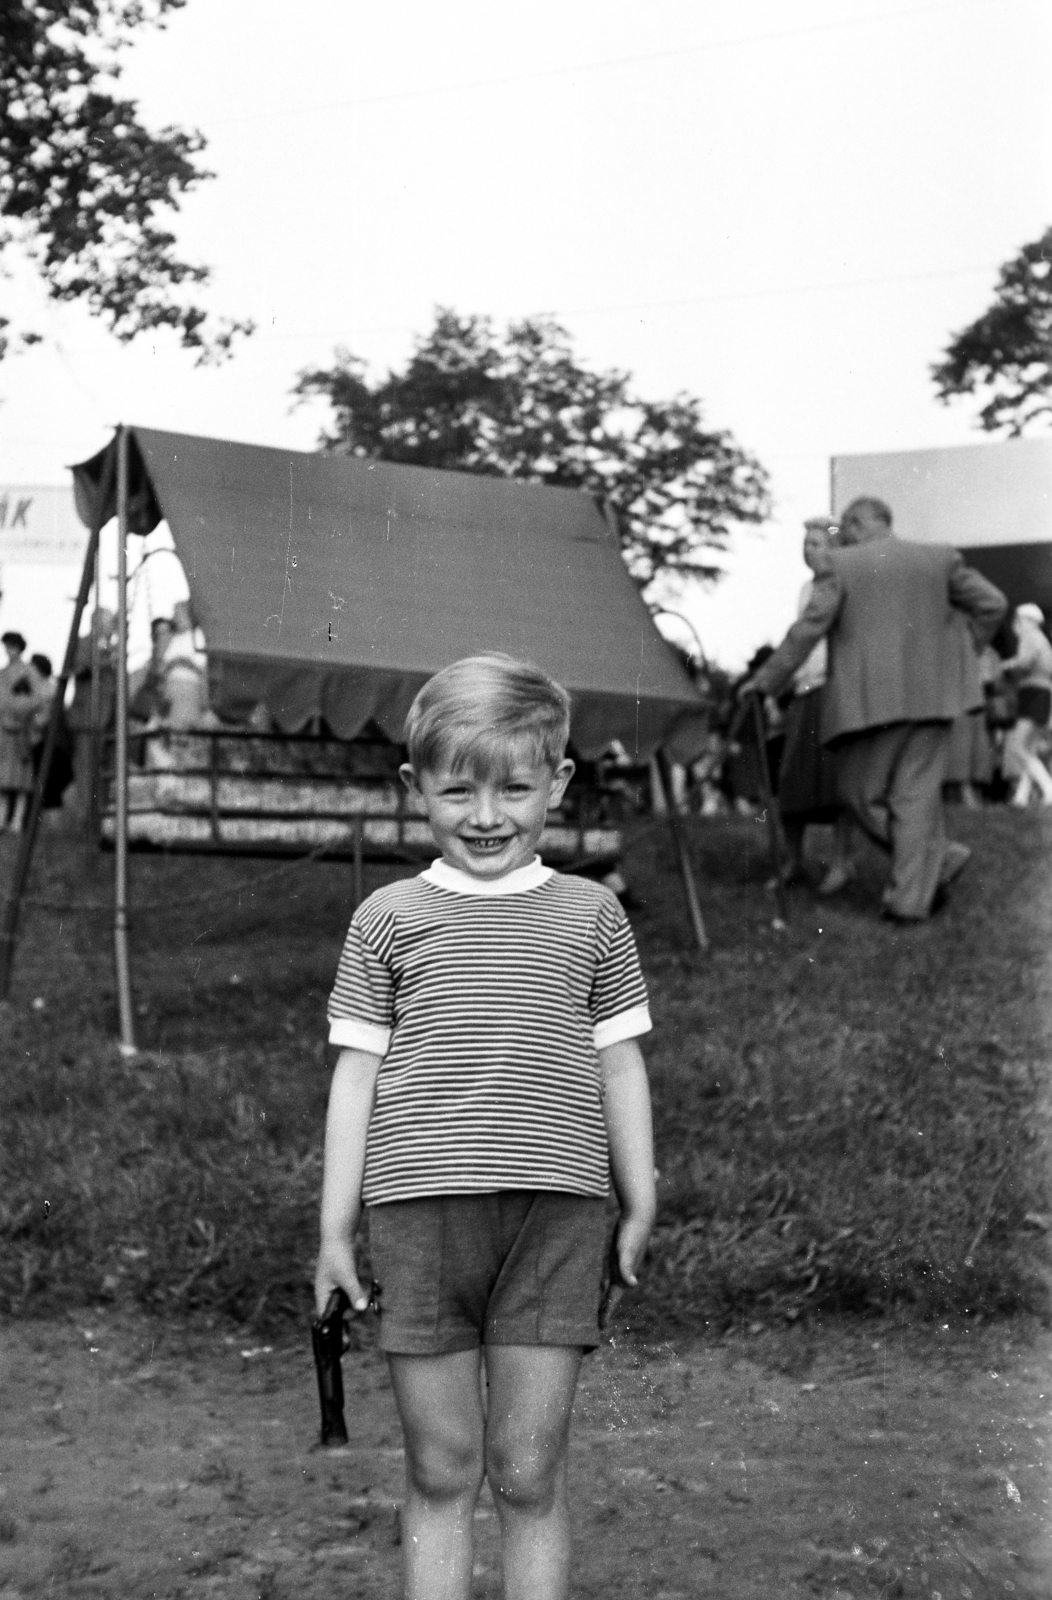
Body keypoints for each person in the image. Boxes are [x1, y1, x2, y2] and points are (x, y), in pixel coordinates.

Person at [315, 653, 656, 1600]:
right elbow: (355, 1077)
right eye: (457, 789)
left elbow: (620, 1063)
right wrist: (334, 1231)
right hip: (421, 1220)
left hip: (557, 1218)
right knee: (441, 1469)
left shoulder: (593, 916)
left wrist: (639, 1198)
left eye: (514, 787)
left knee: (528, 1472)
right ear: (413, 785)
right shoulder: (386, 918)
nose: (486, 815)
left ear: (559, 782)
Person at [744, 497, 1007, 922]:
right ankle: (922, 882)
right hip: (934, 699)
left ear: (854, 524)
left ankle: (916, 891)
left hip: (869, 703)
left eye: (844, 528)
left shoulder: (841, 565)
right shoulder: (940, 558)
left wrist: (763, 682)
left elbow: (809, 629)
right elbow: (993, 604)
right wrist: (961, 652)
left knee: (856, 793)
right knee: (914, 800)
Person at [775, 516, 858, 893]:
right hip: (804, 690)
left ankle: (842, 861)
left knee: (835, 781)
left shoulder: (847, 586)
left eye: (817, 543)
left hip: (834, 688)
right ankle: (793, 860)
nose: (809, 550)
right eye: (805, 544)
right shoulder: (805, 590)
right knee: (793, 778)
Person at [1000, 602, 1052, 807]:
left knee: (1019, 747)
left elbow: (1024, 662)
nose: (1016, 624)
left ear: (1027, 620)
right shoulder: (1043, 640)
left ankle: (1048, 788)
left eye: (1018, 620)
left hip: (1032, 694)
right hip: (1041, 694)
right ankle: (1021, 798)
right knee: (1029, 748)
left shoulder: (1030, 637)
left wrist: (1005, 665)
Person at [0, 631, 46, 832]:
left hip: (22, 731)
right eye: (7, 647)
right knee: (3, 778)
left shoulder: (29, 672)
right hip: (3, 731)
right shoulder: (3, 673)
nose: (9, 651)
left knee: (22, 780)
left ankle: (17, 820)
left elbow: (38, 698)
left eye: (12, 647)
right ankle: (2, 818)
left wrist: (22, 713)